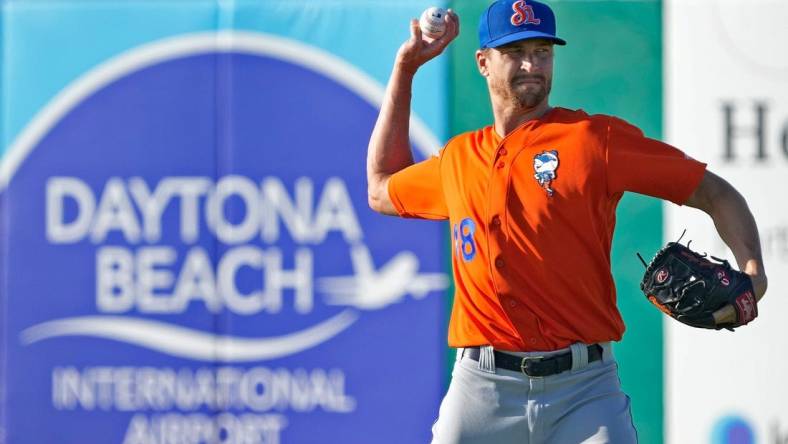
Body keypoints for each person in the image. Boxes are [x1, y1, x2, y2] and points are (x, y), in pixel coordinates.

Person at [366, 0, 768, 442]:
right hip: (482, 389)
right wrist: (406, 69)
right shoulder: (459, 159)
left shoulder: (593, 141)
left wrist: (753, 271)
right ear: (483, 62)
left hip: (585, 391)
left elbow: (716, 192)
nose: (531, 64)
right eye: (515, 51)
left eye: (542, 50)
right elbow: (381, 188)